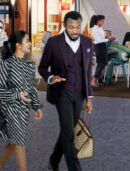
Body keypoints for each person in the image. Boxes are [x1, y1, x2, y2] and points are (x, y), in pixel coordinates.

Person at [37, 10, 93, 171]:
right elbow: (42, 67)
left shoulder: (88, 43)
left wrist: (89, 98)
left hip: (80, 93)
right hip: (62, 92)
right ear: (64, 26)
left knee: (68, 129)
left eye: (78, 27)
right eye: (71, 27)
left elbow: (88, 72)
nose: (75, 31)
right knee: (69, 134)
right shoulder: (54, 43)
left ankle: (53, 161)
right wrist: (51, 77)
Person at [0, 30, 43, 171]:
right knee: (19, 143)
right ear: (18, 45)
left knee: (14, 141)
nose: (30, 44)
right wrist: (17, 94)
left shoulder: (29, 65)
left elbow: (32, 88)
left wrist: (36, 106)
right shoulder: (5, 65)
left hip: (23, 110)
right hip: (9, 109)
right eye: (27, 41)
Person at [89, 15, 108, 86]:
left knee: (101, 63)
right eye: (102, 21)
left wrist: (106, 38)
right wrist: (108, 39)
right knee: (102, 63)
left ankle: (95, 80)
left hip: (103, 46)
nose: (103, 22)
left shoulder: (100, 28)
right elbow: (98, 40)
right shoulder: (94, 29)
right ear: (98, 21)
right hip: (99, 46)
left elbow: (101, 38)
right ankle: (93, 80)